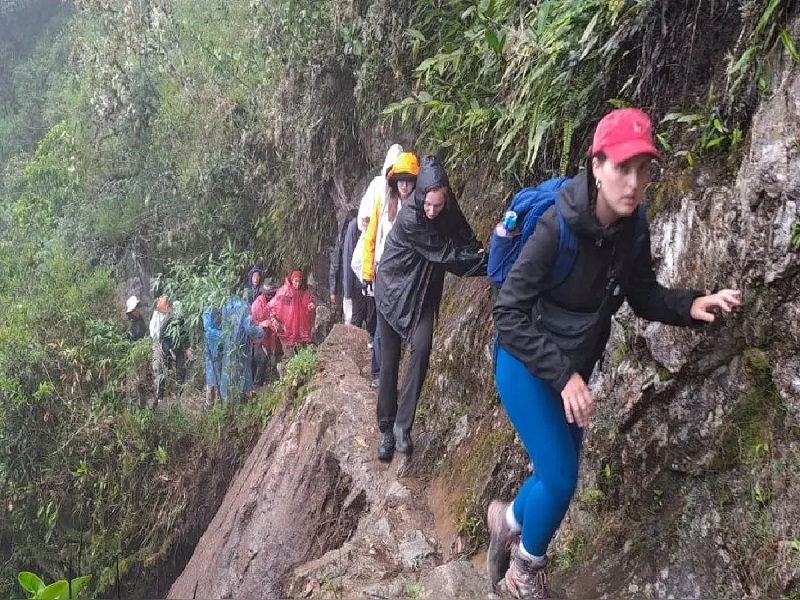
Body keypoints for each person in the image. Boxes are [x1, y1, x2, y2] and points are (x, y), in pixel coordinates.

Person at [488, 107, 742, 599]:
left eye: (643, 169)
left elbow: (643, 294)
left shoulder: (631, 227)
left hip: (570, 371)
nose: (634, 182)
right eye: (622, 168)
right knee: (560, 479)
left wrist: (691, 303)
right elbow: (508, 314)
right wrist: (564, 376)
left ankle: (508, 519)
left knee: (554, 476)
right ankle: (523, 576)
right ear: (596, 166)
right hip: (524, 363)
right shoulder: (555, 228)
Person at [374, 155, 487, 462]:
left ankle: (402, 427)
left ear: (445, 196)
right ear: (421, 196)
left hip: (421, 291)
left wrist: (479, 247)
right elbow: (448, 256)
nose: (433, 211)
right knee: (390, 360)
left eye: (438, 205)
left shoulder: (446, 207)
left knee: (422, 349)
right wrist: (489, 265)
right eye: (428, 204)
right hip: (393, 290)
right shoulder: (412, 218)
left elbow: (462, 232)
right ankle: (385, 428)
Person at [361, 151, 419, 388]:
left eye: (408, 181)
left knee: (397, 323)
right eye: (400, 181)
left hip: (406, 275)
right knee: (383, 322)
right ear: (394, 181)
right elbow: (371, 237)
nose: (404, 185)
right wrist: (367, 273)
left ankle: (388, 374)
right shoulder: (385, 204)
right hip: (383, 272)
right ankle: (377, 373)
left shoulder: (418, 206)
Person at [355, 144, 403, 349]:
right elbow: (366, 221)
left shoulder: (405, 193)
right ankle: (374, 345)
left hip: (394, 262)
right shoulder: (377, 186)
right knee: (375, 304)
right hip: (376, 257)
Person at [219, 293, 269, 402]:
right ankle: (241, 400)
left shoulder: (226, 305)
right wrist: (261, 330)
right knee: (242, 371)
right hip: (241, 345)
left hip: (229, 344)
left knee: (230, 371)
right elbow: (250, 328)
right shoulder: (244, 307)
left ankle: (228, 400)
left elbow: (224, 326)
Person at [268, 270, 316, 359]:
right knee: (289, 354)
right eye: (296, 281)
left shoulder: (303, 293)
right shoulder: (285, 291)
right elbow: (275, 304)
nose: (297, 284)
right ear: (292, 280)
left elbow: (308, 301)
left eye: (299, 281)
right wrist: (275, 318)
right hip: (287, 327)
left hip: (298, 327)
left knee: (299, 351)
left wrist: (310, 305)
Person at [329, 209, 363, 325]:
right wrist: (333, 291)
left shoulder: (362, 238)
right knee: (350, 318)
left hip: (359, 284)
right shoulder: (342, 240)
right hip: (347, 285)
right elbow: (335, 265)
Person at [251, 281, 281, 387]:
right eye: (269, 294)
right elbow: (252, 324)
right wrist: (262, 323)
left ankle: (262, 383)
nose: (271, 296)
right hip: (258, 338)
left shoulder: (273, 301)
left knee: (267, 360)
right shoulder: (257, 305)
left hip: (269, 337)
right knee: (261, 360)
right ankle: (256, 386)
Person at [149, 296, 171, 406]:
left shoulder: (170, 316)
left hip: (167, 346)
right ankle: (158, 395)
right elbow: (153, 332)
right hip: (157, 345)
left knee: (165, 369)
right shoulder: (156, 314)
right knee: (158, 368)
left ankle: (162, 394)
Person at [202, 307, 222, 405]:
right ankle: (210, 402)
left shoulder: (221, 308)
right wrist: (222, 334)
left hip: (219, 347)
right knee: (212, 375)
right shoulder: (208, 310)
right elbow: (208, 330)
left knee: (218, 374)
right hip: (212, 346)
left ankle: (217, 402)